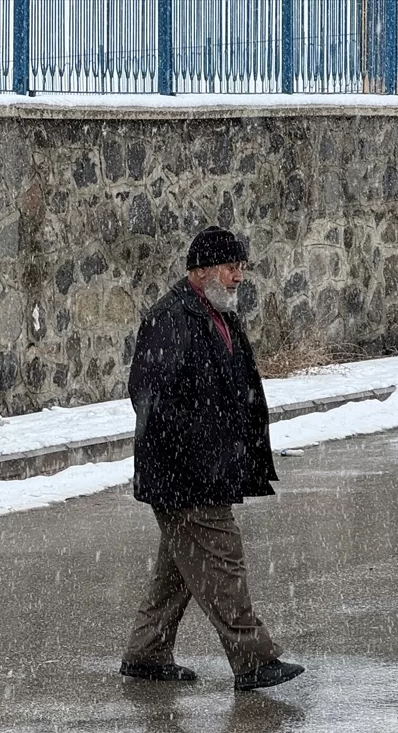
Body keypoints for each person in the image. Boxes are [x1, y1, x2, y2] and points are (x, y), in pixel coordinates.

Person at [119, 225, 305, 692]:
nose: (238, 276)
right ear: (201, 271)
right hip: (185, 475)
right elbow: (149, 396)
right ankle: (254, 659)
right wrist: (199, 451)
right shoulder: (171, 318)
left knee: (179, 571)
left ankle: (147, 653)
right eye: (230, 267)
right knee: (222, 562)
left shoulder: (216, 315)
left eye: (241, 267)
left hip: (203, 471)